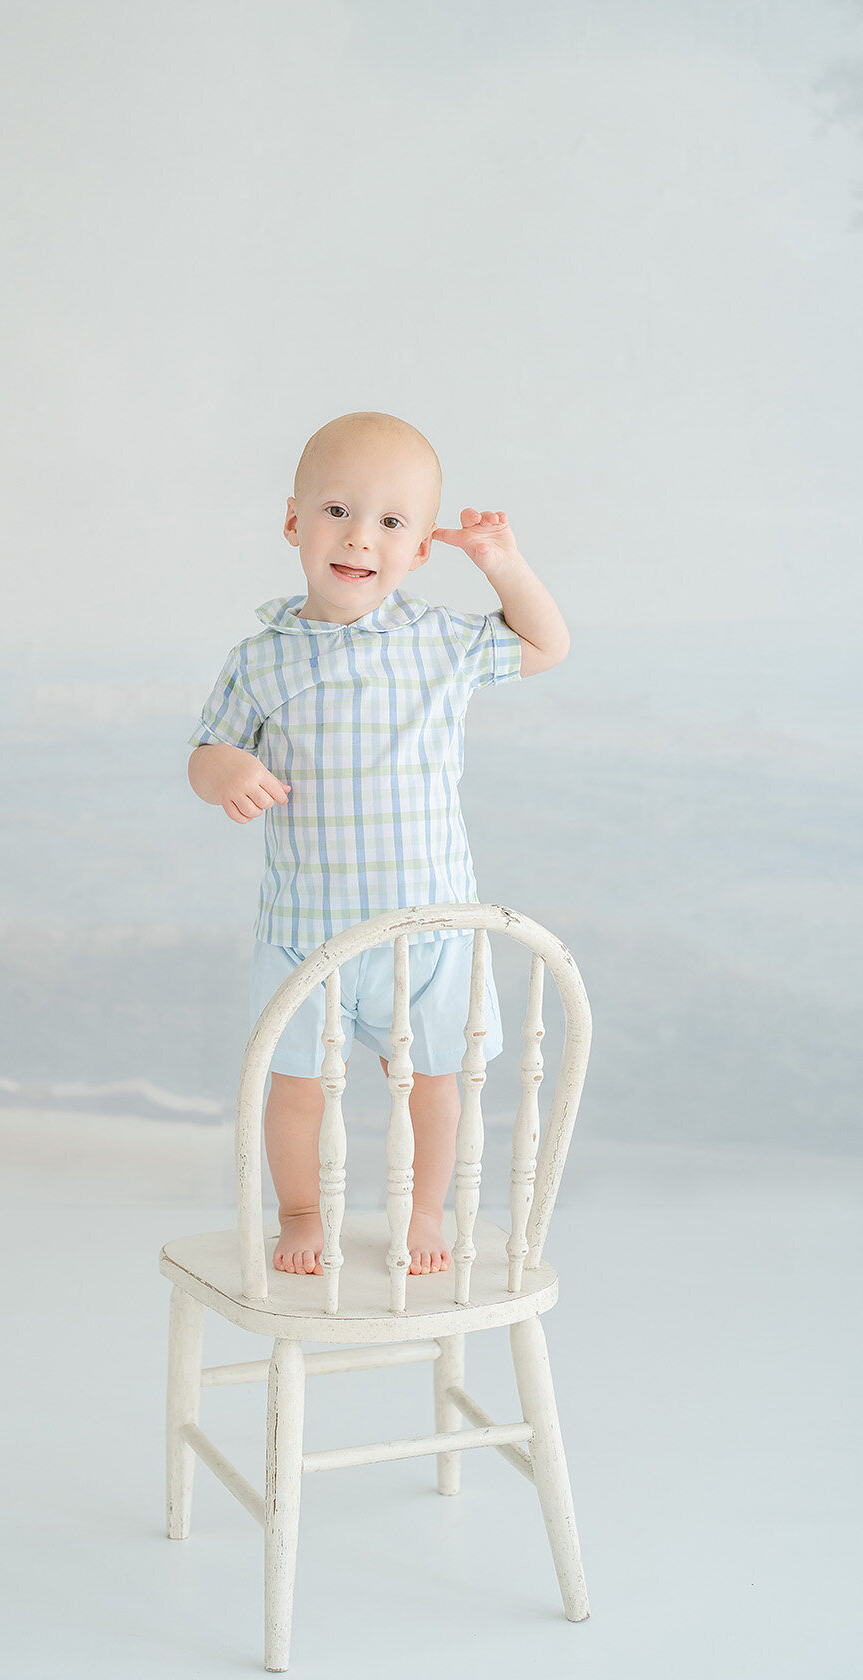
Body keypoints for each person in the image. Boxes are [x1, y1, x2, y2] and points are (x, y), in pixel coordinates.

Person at [186, 411, 570, 1278]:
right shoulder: (262, 658)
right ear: (294, 524)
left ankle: (421, 1208)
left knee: (435, 1083)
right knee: (296, 1089)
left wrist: (503, 565)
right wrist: (228, 771)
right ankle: (298, 1212)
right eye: (336, 512)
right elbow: (205, 753)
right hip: (306, 930)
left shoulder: (442, 641)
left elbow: (548, 643)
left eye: (393, 522)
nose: (361, 537)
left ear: (420, 551)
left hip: (425, 928)